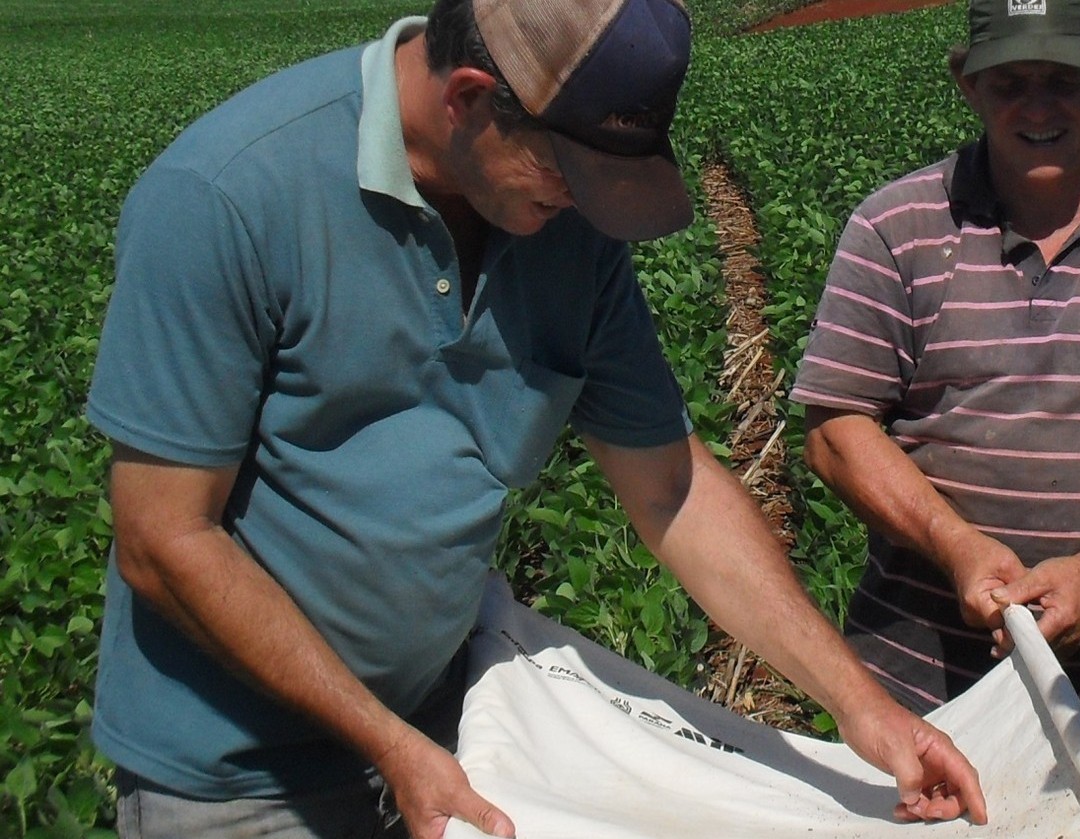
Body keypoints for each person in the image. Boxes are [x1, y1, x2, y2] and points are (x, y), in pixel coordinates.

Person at [84, 0, 989, 835]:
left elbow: (670, 488)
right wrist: (389, 744)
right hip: (241, 785)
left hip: (449, 726)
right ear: (472, 98)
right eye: (569, 169)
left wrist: (860, 705)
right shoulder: (228, 196)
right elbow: (167, 539)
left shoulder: (565, 224)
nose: (583, 202)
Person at [790, 0, 1080, 806]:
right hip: (909, 689)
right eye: (1009, 81)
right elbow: (837, 427)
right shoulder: (894, 225)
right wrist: (954, 543)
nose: (1036, 106)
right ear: (965, 83)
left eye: (1062, 80)